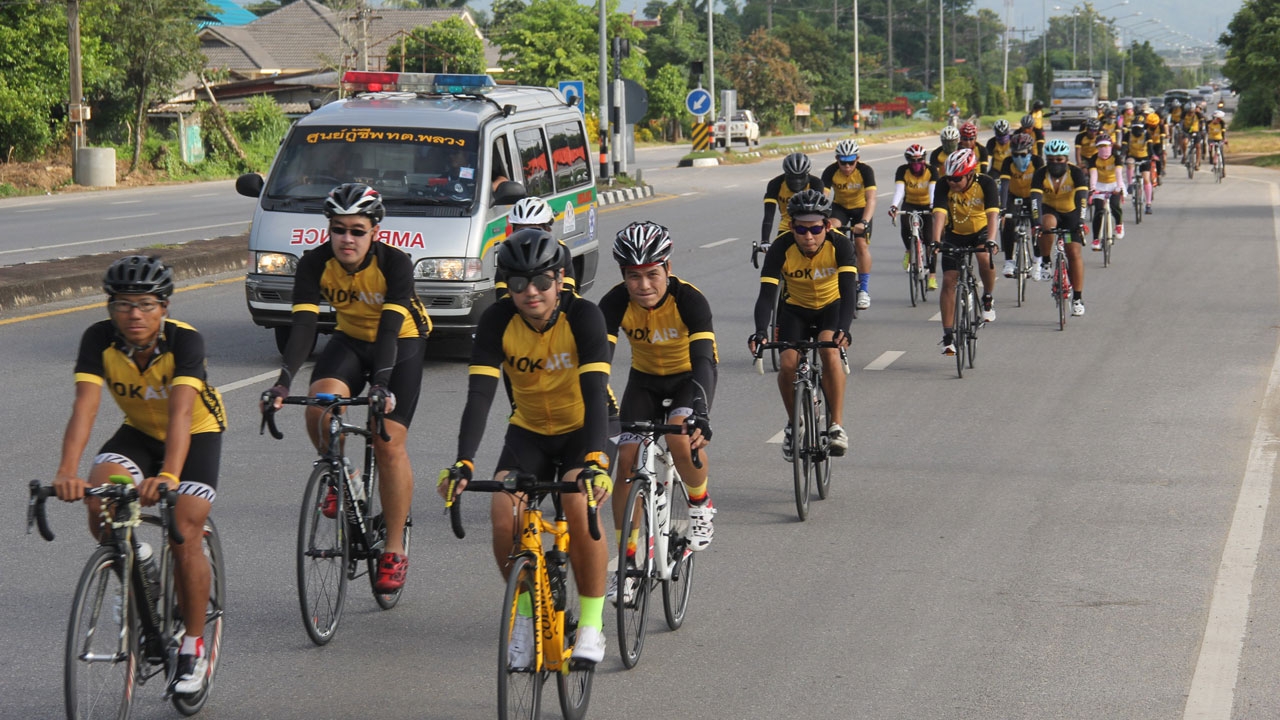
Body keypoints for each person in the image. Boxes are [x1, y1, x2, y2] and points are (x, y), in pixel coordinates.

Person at [437, 228, 615, 665]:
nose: (530, 293)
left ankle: (592, 624)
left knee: (579, 506)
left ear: (559, 279)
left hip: (583, 428)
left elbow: (596, 393)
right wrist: (463, 461)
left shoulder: (586, 317)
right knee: (504, 513)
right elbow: (480, 396)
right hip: (530, 431)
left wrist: (595, 461)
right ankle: (523, 617)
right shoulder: (498, 320)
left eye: (540, 282)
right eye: (518, 284)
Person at [53, 255, 227, 696]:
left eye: (146, 304)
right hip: (136, 432)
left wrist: (169, 475)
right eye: (124, 304)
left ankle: (192, 646)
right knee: (101, 500)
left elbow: (183, 413)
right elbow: (85, 407)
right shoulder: (98, 338)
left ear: (165, 307)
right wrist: (67, 473)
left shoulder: (185, 341)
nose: (134, 314)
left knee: (185, 529)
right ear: (110, 307)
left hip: (195, 434)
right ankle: (137, 562)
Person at [262, 183, 430, 593]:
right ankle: (345, 474)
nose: (347, 239)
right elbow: (302, 328)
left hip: (401, 342)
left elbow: (390, 329)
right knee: (319, 406)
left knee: (387, 440)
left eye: (357, 230)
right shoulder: (314, 263)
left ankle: (394, 549)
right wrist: (283, 382)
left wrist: (382, 384)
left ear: (375, 230)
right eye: (339, 229)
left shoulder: (396, 263)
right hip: (351, 339)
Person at [598, 221, 717, 579]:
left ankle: (699, 503)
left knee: (681, 435)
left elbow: (703, 361)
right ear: (623, 275)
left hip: (689, 378)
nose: (644, 285)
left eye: (652, 273)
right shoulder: (615, 301)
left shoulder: (690, 300)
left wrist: (701, 412)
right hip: (645, 381)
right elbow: (599, 362)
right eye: (634, 277)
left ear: (668, 268)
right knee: (627, 459)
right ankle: (630, 556)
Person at [749, 190, 854, 460]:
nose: (809, 236)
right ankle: (794, 424)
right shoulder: (781, 247)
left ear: (827, 226)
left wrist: (844, 329)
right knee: (787, 364)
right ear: (791, 226)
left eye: (816, 228)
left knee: (829, 351)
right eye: (801, 229)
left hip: (832, 307)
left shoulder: (840, 245)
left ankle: (836, 426)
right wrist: (761, 331)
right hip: (795, 309)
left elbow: (848, 292)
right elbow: (766, 297)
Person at [930, 148, 999, 355]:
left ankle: (987, 297)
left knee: (983, 256)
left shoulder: (986, 183)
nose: (952, 182)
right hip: (955, 233)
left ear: (970, 174)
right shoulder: (944, 185)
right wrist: (935, 242)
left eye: (957, 179)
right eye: (949, 178)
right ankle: (948, 335)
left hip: (981, 230)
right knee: (949, 280)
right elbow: (939, 214)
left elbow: (993, 215)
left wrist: (991, 240)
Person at [1031, 139, 1090, 317]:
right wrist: (1036, 224)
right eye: (1051, 160)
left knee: (1073, 252)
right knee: (1046, 223)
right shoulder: (1040, 173)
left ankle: (1078, 298)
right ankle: (1047, 261)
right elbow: (1035, 200)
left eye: (1059, 159)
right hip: (1050, 211)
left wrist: (1080, 221)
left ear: (1066, 159)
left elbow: (1082, 198)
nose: (1055, 163)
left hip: (1071, 214)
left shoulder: (1076, 172)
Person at [821, 139, 877, 310]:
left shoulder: (865, 171)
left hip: (861, 209)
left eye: (851, 162)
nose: (846, 167)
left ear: (857, 159)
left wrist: (864, 222)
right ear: (837, 159)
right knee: (831, 229)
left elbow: (871, 199)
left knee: (861, 244)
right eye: (843, 163)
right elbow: (822, 198)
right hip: (840, 208)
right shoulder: (831, 171)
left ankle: (864, 290)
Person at [494, 196, 576, 300]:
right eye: (521, 230)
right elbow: (502, 292)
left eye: (534, 229)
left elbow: (567, 291)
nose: (528, 235)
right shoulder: (508, 252)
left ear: (547, 229)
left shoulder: (561, 249)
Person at [888, 143, 940, 290]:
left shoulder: (931, 170)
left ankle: (932, 277)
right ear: (908, 161)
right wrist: (894, 206)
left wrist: (932, 205)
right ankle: (909, 251)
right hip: (910, 203)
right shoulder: (902, 171)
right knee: (905, 223)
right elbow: (899, 190)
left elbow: (933, 190)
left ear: (924, 159)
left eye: (919, 160)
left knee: (930, 240)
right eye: (912, 161)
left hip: (926, 204)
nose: (916, 164)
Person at [998, 133, 1045, 278]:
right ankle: (1009, 261)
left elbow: (1041, 185)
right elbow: (1004, 186)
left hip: (1033, 195)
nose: (1019, 158)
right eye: (1015, 154)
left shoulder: (1037, 162)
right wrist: (1003, 208)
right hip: (1014, 195)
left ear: (1030, 152)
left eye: (1023, 154)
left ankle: (1038, 261)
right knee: (1009, 223)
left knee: (1037, 225)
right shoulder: (1007, 162)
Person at [760, 152, 825, 253]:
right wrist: (765, 241)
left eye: (800, 177)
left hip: (810, 227)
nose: (797, 181)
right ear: (786, 174)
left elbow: (820, 212)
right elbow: (769, 215)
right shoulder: (775, 184)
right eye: (793, 178)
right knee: (776, 259)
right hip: (787, 226)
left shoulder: (816, 183)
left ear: (807, 174)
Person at [1086, 136, 1126, 245]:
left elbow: (1118, 173)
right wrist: (1093, 187)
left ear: (1111, 146)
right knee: (1098, 211)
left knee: (1114, 205)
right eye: (1101, 146)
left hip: (1114, 183)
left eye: (1107, 146)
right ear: (1097, 147)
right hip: (1100, 184)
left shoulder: (1116, 157)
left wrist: (1118, 187)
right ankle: (1096, 239)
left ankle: (1119, 224)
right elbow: (1093, 174)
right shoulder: (1093, 159)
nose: (1104, 149)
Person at [1122, 118, 1155, 215]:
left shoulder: (1146, 134)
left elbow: (1150, 146)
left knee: (1146, 179)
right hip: (1132, 156)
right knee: (1129, 163)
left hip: (1144, 157)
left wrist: (1152, 155)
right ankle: (1130, 184)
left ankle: (1148, 204)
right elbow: (1124, 147)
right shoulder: (1128, 134)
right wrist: (1121, 155)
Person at [1207, 110, 1229, 176]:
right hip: (1211, 139)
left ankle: (1223, 170)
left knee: (1221, 154)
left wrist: (1224, 139)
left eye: (1220, 119)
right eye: (1217, 118)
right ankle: (1211, 158)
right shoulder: (1208, 123)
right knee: (1210, 148)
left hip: (1219, 139)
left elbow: (1223, 132)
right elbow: (1206, 131)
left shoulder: (1222, 123)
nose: (1219, 120)